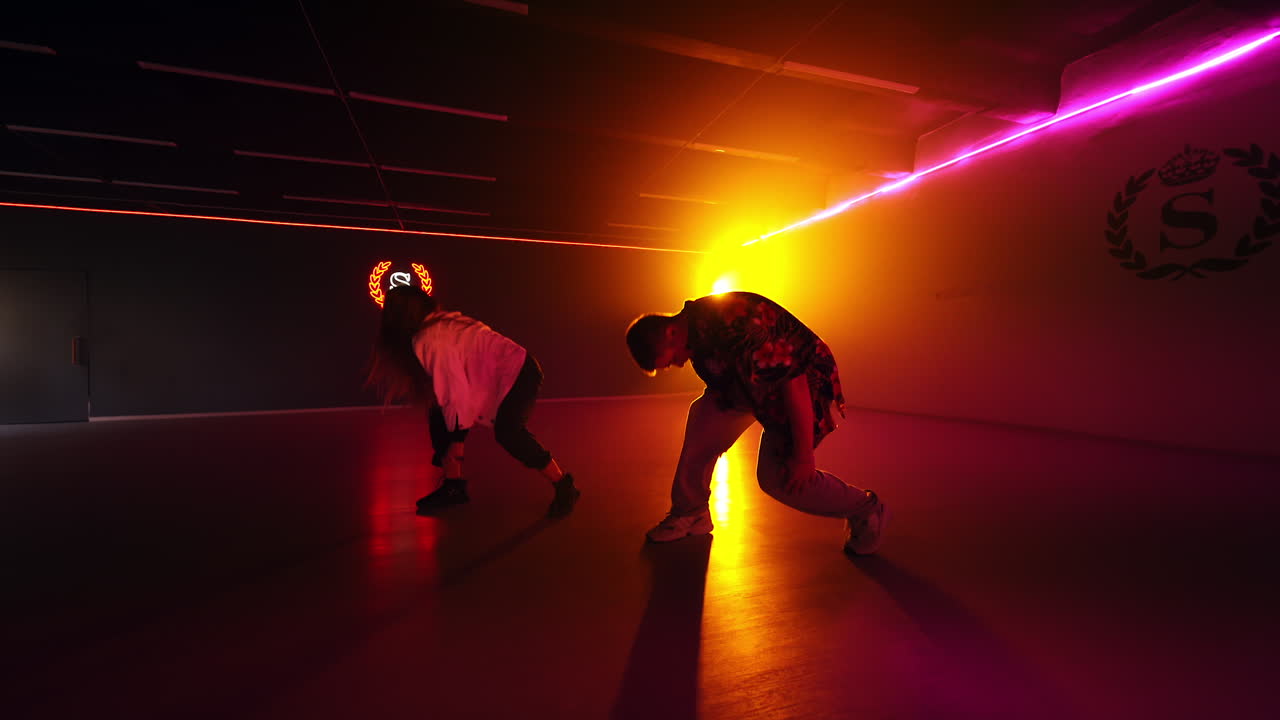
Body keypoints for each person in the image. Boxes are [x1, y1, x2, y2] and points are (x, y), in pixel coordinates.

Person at [625, 291, 886, 553]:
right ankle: (691, 514)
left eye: (672, 359)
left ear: (671, 332)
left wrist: (803, 457)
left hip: (802, 388)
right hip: (748, 389)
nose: (680, 364)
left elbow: (793, 383)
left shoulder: (736, 324)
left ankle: (865, 508)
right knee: (702, 419)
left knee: (779, 479)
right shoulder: (695, 332)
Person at [367, 286, 580, 517]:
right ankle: (453, 486)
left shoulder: (430, 338)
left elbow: (455, 393)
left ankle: (564, 485)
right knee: (439, 415)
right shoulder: (437, 326)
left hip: (519, 371)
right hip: (513, 369)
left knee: (509, 433)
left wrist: (457, 440)